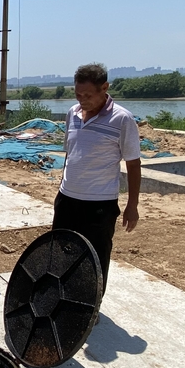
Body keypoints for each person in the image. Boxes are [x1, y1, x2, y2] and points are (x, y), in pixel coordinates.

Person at [52, 63, 141, 290]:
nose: (82, 100)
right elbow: (70, 154)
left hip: (99, 204)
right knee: (61, 252)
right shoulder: (72, 114)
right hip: (68, 199)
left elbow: (133, 164)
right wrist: (62, 190)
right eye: (78, 94)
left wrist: (132, 205)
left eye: (88, 95)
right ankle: (62, 297)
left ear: (105, 88)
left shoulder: (122, 120)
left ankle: (90, 305)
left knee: (95, 257)